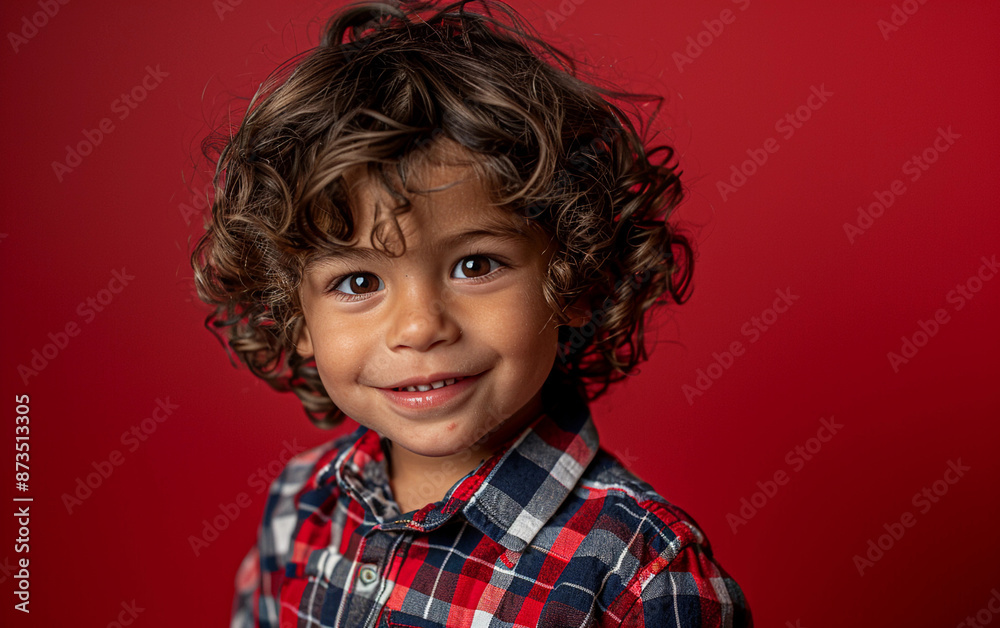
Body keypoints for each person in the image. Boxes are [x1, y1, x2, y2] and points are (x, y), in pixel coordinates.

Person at [191, 1, 752, 625]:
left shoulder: (641, 576)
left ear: (575, 278)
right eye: (357, 280)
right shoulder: (300, 506)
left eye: (476, 266)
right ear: (293, 315)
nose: (420, 326)